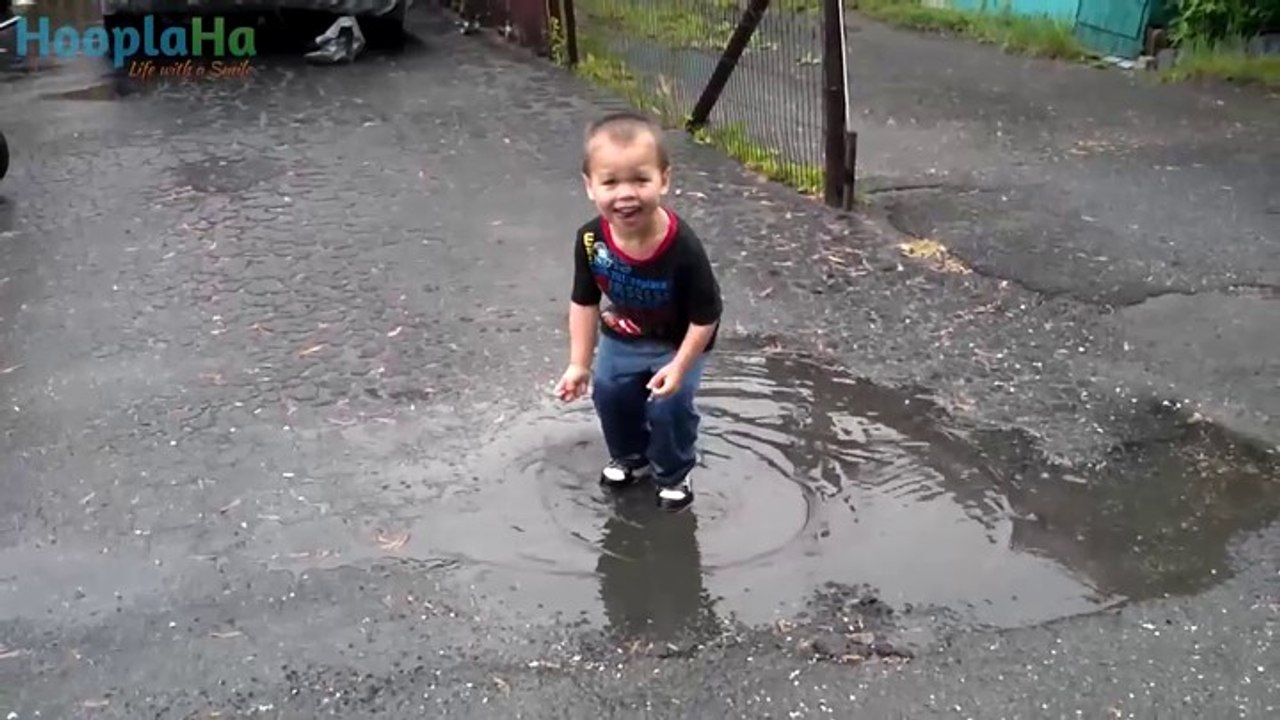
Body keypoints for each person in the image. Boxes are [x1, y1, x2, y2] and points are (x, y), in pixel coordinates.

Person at [554, 111, 723, 512]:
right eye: (611, 182)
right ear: (590, 186)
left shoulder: (683, 247)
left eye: (640, 180)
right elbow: (584, 300)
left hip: (678, 341)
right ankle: (631, 456)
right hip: (624, 333)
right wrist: (578, 364)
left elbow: (707, 316)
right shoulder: (592, 239)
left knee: (669, 405)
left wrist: (679, 367)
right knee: (610, 393)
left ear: (664, 179)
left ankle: (674, 472)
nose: (626, 194)